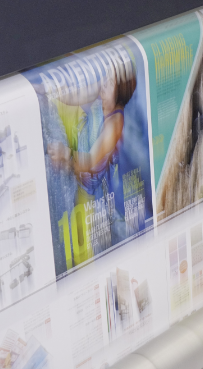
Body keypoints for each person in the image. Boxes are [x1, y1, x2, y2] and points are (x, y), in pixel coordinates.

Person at [47, 54, 137, 254]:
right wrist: (52, 92)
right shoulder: (103, 97)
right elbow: (76, 96)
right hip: (79, 161)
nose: (104, 83)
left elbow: (89, 161)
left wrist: (65, 154)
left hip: (91, 187)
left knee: (94, 241)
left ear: (120, 91)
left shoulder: (114, 124)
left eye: (110, 82)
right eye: (106, 77)